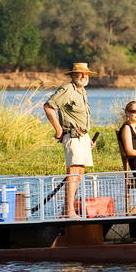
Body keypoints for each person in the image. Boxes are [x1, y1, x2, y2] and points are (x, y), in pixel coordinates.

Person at [43, 62, 98, 217]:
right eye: (80, 73)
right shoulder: (67, 90)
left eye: (86, 74)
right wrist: (59, 129)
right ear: (73, 75)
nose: (83, 76)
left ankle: (67, 209)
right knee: (73, 171)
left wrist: (88, 139)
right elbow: (48, 106)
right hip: (72, 136)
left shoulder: (82, 91)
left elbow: (79, 117)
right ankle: (69, 210)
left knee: (79, 172)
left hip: (82, 138)